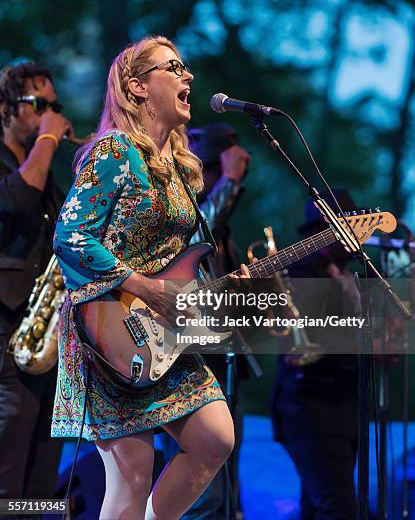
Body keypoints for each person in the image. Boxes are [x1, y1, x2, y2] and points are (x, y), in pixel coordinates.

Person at [52, 36, 251, 520]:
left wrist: (213, 285)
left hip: (165, 335)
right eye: (175, 67)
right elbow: (71, 236)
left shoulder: (180, 170)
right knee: (131, 480)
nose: (189, 76)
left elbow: (177, 259)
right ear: (138, 87)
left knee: (215, 438)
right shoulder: (114, 152)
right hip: (109, 330)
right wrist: (142, 287)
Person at [160, 123, 251, 519]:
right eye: (216, 171)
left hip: (221, 357)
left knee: (226, 481)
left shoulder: (224, 229)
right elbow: (199, 232)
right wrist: (229, 182)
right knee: (202, 493)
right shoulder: (181, 212)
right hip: (182, 358)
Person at [0, 61, 71, 498]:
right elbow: (18, 201)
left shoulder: (48, 177)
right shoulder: (28, 170)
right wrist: (48, 135)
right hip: (6, 340)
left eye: (55, 106)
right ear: (4, 108)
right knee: (6, 475)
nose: (50, 114)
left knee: (42, 484)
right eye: (38, 104)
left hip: (45, 340)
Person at [271, 190, 361, 520]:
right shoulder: (301, 272)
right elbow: (316, 334)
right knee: (337, 508)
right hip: (311, 409)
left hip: (343, 410)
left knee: (317, 506)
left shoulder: (347, 274)